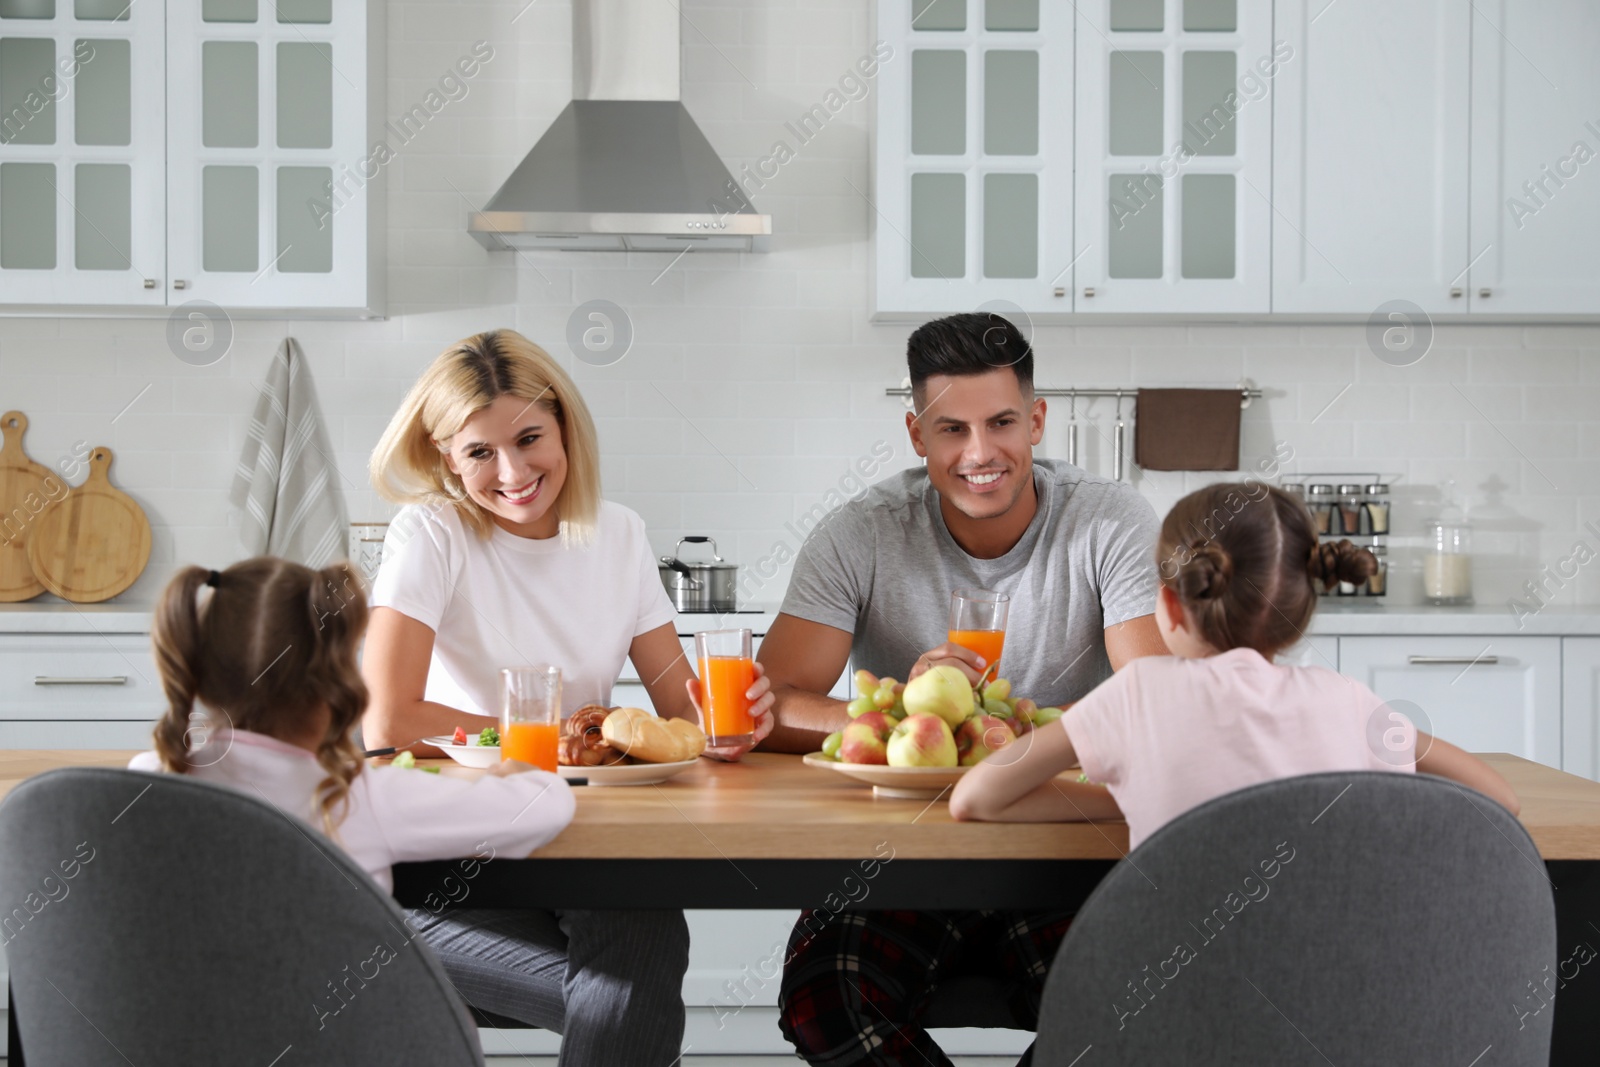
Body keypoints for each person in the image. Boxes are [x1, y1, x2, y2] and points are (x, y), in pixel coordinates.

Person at [760, 313, 1170, 1067]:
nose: (980, 453)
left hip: (1064, 848)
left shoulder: (1108, 520)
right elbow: (772, 699)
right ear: (917, 435)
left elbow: (1153, 697)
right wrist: (895, 714)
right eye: (952, 429)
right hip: (900, 853)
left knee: (1137, 1004)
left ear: (1037, 420)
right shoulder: (864, 532)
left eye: (1002, 422)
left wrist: (1018, 736)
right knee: (826, 999)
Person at [361, 329, 775, 1066]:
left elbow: (680, 705)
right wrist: (549, 738)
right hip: (450, 852)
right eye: (479, 451)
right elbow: (387, 720)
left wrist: (720, 728)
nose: (513, 471)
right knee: (632, 988)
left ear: (565, 429)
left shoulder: (617, 534)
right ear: (446, 457)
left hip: (579, 834)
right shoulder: (431, 533)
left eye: (529, 438)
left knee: (643, 939)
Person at [950, 481, 1520, 840]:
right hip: (1328, 1010)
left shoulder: (1139, 692)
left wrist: (1122, 800)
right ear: (1305, 604)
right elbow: (1501, 800)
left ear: (1170, 604)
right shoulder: (1348, 704)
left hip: (1172, 1010)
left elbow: (976, 798)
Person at [129, 557, 575, 950]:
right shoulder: (358, 796)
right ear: (336, 682)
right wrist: (516, 774)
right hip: (347, 1043)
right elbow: (547, 807)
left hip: (194, 1037)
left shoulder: (152, 776)